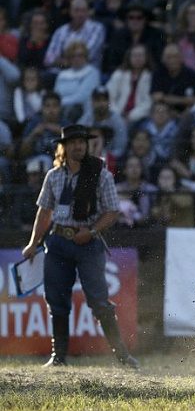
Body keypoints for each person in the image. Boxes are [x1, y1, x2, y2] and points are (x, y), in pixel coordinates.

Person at [21, 124, 139, 369]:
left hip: (89, 243)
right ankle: (59, 358)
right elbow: (44, 212)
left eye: (82, 142)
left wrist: (92, 231)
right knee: (56, 300)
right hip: (58, 241)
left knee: (99, 301)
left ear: (87, 146)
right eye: (73, 142)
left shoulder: (101, 174)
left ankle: (122, 356)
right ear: (63, 147)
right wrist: (34, 243)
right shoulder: (53, 176)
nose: (78, 146)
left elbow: (113, 210)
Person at [44, 0, 106, 71]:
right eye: (76, 10)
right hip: (61, 72)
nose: (80, 14)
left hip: (86, 71)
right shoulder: (60, 31)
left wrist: (63, 61)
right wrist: (65, 62)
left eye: (84, 11)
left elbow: (87, 55)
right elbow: (48, 59)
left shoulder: (97, 28)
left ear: (88, 12)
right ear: (70, 12)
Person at [105, 2, 167, 75]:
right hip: (122, 76)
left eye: (139, 17)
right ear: (126, 20)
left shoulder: (157, 35)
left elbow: (160, 62)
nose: (135, 21)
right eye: (131, 17)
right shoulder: (117, 36)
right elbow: (111, 63)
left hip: (151, 76)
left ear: (146, 20)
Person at [105, 44, 154, 127]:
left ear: (146, 57)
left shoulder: (151, 77)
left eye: (140, 55)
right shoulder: (118, 74)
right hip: (117, 115)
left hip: (139, 117)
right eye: (135, 55)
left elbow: (148, 103)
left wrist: (131, 116)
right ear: (129, 57)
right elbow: (109, 97)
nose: (137, 58)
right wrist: (118, 115)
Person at [53, 40, 100, 124]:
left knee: (70, 109)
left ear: (85, 56)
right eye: (73, 56)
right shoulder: (62, 75)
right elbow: (56, 94)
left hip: (83, 110)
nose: (76, 58)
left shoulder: (92, 72)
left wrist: (60, 103)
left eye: (80, 55)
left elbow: (82, 97)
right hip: (61, 108)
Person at [150, 43, 195, 117]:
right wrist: (185, 100)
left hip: (187, 113)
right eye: (168, 57)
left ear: (181, 58)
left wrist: (166, 98)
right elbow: (155, 97)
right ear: (163, 59)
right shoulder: (158, 73)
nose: (172, 60)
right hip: (165, 113)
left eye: (175, 56)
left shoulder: (191, 74)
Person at [115, 155, 158, 228]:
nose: (134, 169)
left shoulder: (151, 189)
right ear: (124, 170)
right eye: (131, 166)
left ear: (142, 169)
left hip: (146, 229)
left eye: (137, 166)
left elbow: (155, 210)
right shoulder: (117, 189)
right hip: (122, 229)